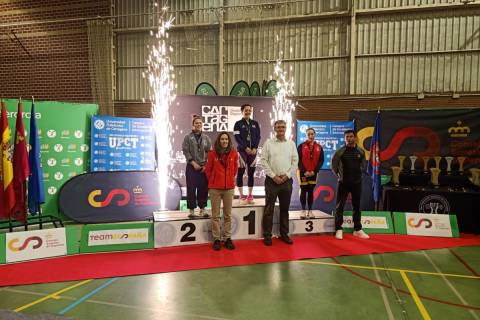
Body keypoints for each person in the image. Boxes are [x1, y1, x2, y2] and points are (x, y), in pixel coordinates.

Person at [260, 120, 298, 246]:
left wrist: (286, 176)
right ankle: (267, 235)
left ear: (285, 128)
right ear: (274, 129)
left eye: (283, 127)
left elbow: (295, 162)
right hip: (272, 181)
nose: (281, 129)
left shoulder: (291, 144)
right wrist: (273, 176)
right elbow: (263, 161)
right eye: (278, 127)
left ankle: (284, 234)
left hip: (286, 182)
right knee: (269, 209)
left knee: (284, 209)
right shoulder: (268, 143)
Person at [331, 129, 369, 240]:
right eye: (347, 137)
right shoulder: (339, 152)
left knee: (356, 206)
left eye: (351, 136)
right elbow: (334, 167)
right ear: (344, 138)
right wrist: (340, 176)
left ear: (355, 138)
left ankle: (357, 229)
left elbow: (363, 166)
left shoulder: (361, 151)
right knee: (340, 206)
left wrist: (357, 175)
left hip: (357, 183)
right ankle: (338, 229)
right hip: (343, 183)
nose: (349, 138)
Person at [204, 132, 239, 251]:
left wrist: (229, 179)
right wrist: (214, 181)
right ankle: (217, 239)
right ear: (219, 141)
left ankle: (227, 238)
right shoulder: (212, 153)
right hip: (215, 189)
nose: (224, 141)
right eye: (222, 139)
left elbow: (235, 169)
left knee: (228, 215)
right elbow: (208, 170)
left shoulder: (234, 153)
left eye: (226, 139)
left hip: (229, 188)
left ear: (229, 141)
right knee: (215, 215)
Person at [182, 115, 212, 218]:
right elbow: (186, 151)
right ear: (193, 125)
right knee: (191, 189)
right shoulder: (188, 137)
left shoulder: (206, 138)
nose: (198, 124)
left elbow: (210, 152)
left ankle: (202, 209)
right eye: (196, 123)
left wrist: (206, 165)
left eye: (200, 123)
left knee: (203, 189)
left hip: (203, 168)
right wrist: (193, 163)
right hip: (191, 167)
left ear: (202, 124)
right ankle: (191, 210)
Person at [234, 104, 261, 204]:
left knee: (251, 174)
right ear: (242, 111)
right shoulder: (238, 124)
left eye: (249, 110)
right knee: (240, 173)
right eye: (246, 110)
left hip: (253, 152)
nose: (248, 112)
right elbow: (237, 138)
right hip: (242, 151)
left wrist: (254, 148)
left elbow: (258, 137)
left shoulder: (255, 123)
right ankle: (241, 195)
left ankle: (250, 195)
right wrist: (245, 147)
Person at [297, 128, 324, 219]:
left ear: (315, 135)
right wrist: (304, 171)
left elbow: (321, 161)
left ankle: (310, 211)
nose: (310, 136)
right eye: (308, 134)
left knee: (311, 191)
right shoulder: (301, 146)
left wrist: (314, 171)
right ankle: (303, 210)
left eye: (312, 134)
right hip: (302, 173)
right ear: (306, 135)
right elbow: (298, 159)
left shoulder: (319, 147)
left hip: (313, 173)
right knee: (303, 191)